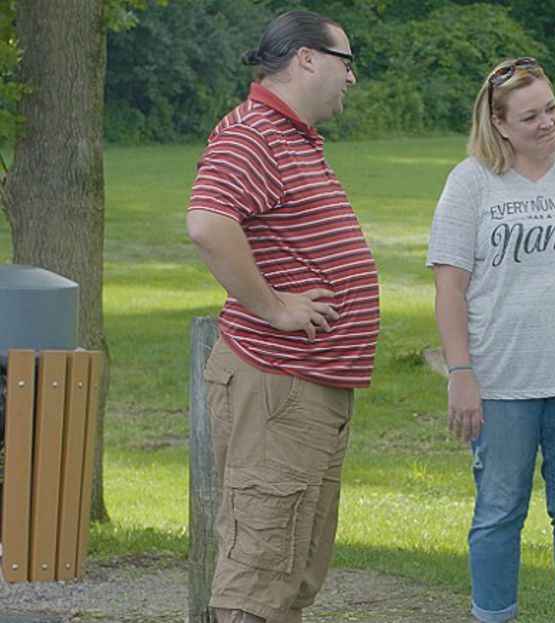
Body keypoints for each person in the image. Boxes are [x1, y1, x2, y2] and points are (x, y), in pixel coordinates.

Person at [426, 57, 555, 623]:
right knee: (498, 511)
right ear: (498, 124)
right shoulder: (470, 182)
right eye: (530, 116)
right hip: (499, 382)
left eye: (551, 109)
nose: (548, 123)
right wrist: (461, 372)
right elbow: (450, 289)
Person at [185, 11, 377, 623]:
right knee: (257, 580)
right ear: (307, 58)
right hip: (277, 386)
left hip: (305, 391)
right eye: (347, 63)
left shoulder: (289, 136)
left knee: (289, 575)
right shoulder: (253, 134)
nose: (351, 78)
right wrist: (273, 307)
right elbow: (208, 223)